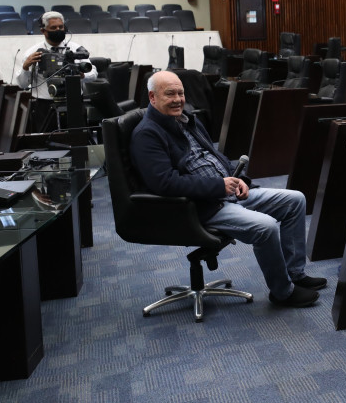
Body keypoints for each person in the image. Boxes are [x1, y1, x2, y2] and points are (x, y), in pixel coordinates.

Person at [130, 70, 325, 308]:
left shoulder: (187, 119)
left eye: (181, 93)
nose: (178, 99)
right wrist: (219, 186)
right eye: (170, 94)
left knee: (295, 200)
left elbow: (215, 156)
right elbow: (165, 183)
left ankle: (295, 274)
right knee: (266, 227)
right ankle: (283, 292)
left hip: (227, 192)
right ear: (152, 97)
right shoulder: (147, 134)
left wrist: (240, 178)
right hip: (202, 206)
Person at [16, 11, 97, 130]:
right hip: (45, 106)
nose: (58, 30)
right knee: (48, 143)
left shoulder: (76, 49)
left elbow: (93, 73)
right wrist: (25, 67)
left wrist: (81, 75)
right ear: (43, 31)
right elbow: (23, 84)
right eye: (53, 28)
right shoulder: (32, 53)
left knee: (78, 140)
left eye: (61, 27)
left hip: (73, 103)